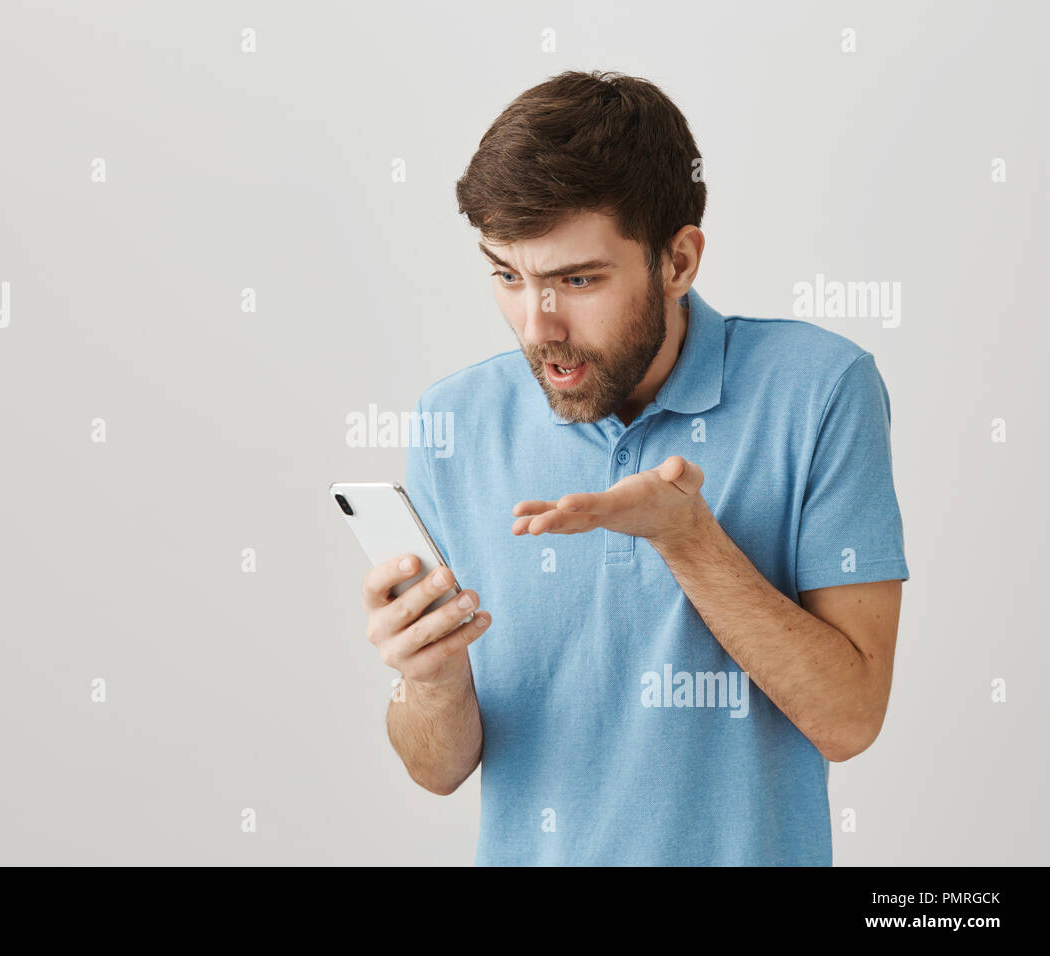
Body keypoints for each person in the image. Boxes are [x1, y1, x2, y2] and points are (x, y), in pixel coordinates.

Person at [360, 70, 909, 865]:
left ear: (678, 260)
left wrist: (688, 540)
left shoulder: (821, 389)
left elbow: (851, 718)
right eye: (509, 277)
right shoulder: (457, 421)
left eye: (577, 280)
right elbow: (438, 770)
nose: (536, 326)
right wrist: (431, 680)